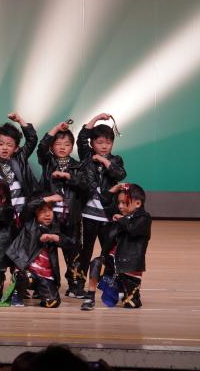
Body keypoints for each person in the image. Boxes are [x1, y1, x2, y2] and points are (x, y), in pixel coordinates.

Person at [37, 120, 89, 298]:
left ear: (72, 147)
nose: (62, 147)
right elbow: (41, 148)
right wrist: (56, 128)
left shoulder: (78, 166)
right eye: (58, 144)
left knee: (73, 251)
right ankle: (48, 284)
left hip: (71, 217)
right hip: (50, 216)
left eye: (66, 144)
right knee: (47, 250)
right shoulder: (48, 162)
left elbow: (85, 185)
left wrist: (68, 176)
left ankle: (75, 285)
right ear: (52, 147)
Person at [76, 113, 126, 289]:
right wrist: (96, 118)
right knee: (85, 250)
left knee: (109, 250)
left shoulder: (116, 160)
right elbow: (82, 138)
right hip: (89, 215)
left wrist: (104, 160)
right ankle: (79, 284)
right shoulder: (86, 156)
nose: (104, 146)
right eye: (99, 142)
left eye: (108, 143)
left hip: (108, 214)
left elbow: (120, 174)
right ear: (92, 143)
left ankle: (110, 282)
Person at [81, 183, 151, 311]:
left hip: (129, 267)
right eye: (119, 203)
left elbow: (133, 229)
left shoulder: (144, 218)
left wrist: (122, 219)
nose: (120, 206)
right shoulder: (119, 215)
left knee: (132, 304)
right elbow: (105, 201)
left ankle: (123, 291)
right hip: (112, 263)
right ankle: (90, 297)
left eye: (124, 203)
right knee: (96, 262)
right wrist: (115, 189)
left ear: (138, 204)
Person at [6, 194, 74, 308]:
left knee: (52, 303)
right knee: (24, 277)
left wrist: (54, 237)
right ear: (35, 212)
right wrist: (49, 199)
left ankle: (41, 292)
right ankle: (16, 294)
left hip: (45, 275)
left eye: (50, 210)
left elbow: (70, 244)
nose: (48, 214)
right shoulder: (28, 223)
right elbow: (28, 207)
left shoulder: (54, 227)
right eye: (43, 211)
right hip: (28, 271)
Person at [0, 113, 40, 223]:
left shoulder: (20, 158)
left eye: (9, 145)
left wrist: (20, 120)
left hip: (25, 214)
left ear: (16, 148)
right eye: (1, 144)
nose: (4, 148)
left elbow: (32, 139)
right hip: (2, 217)